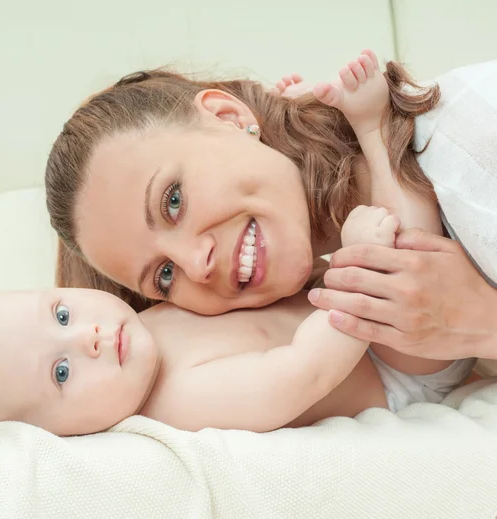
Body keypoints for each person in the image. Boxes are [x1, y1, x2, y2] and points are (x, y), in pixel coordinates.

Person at [45, 50, 497, 362]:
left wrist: (479, 318)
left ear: (230, 118)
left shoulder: (473, 137)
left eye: (173, 200)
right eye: (164, 276)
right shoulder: (356, 313)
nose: (195, 264)